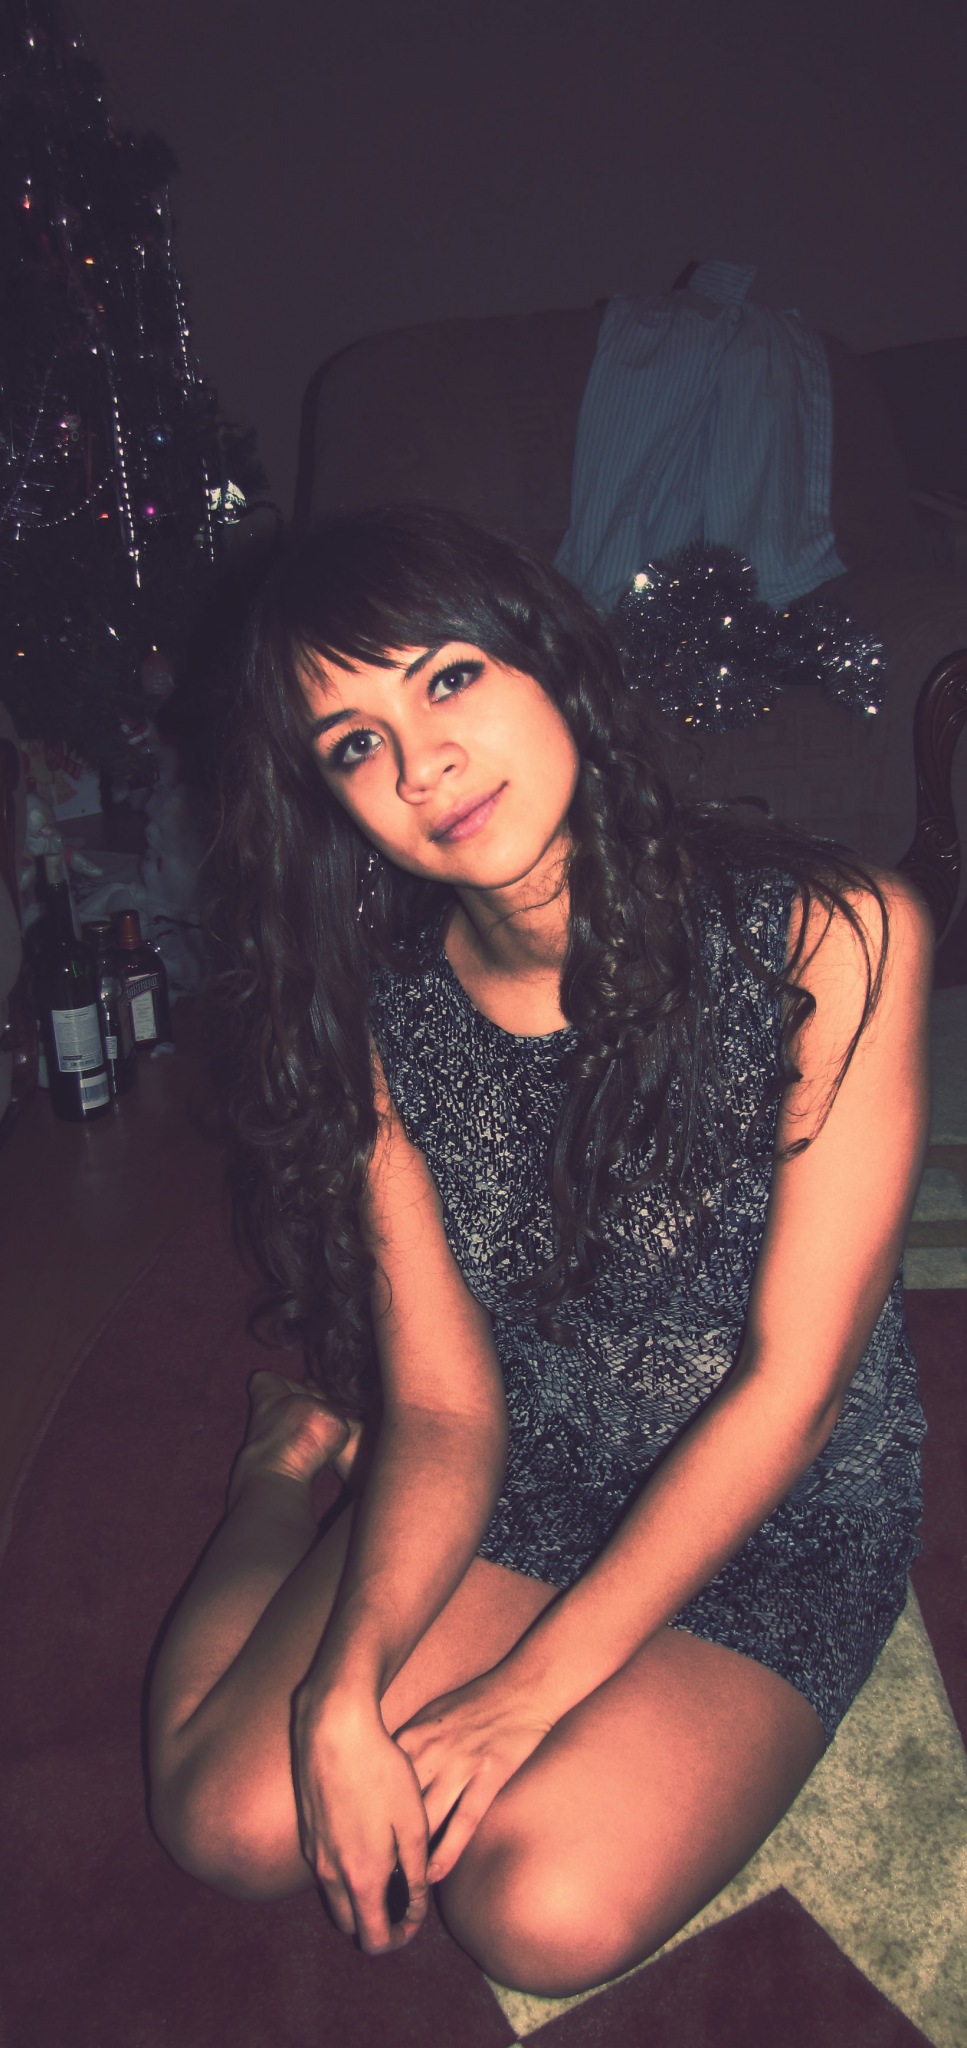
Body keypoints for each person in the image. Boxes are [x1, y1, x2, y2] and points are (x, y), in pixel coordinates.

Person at [146, 505, 931, 1998]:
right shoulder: (371, 1013)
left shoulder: (831, 935)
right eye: (355, 745)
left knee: (540, 1912)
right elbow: (448, 1408)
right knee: (230, 1820)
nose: (422, 766)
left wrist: (524, 1694)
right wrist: (339, 1689)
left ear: (552, 662)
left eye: (447, 678)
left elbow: (797, 1390)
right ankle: (278, 1472)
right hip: (531, 1451)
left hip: (785, 1493)